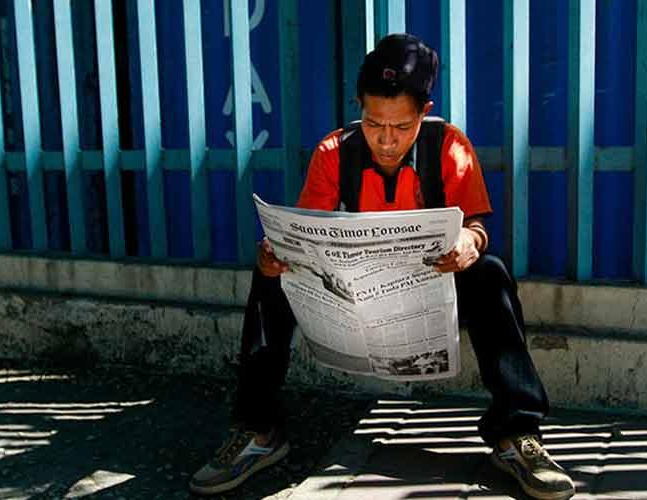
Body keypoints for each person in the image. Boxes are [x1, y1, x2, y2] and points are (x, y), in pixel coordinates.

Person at [189, 33, 575, 500]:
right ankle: (257, 431)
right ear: (359, 106)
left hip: (429, 305)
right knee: (270, 275)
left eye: (402, 127)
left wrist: (470, 244)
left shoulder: (450, 147)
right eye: (374, 124)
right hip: (351, 306)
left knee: (490, 271)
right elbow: (305, 231)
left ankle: (517, 434)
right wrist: (276, 257)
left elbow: (475, 223)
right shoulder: (335, 151)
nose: (386, 141)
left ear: (425, 112)